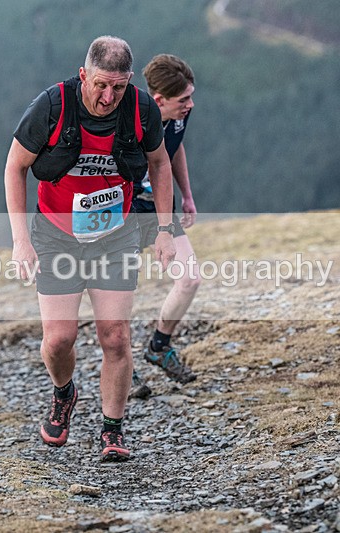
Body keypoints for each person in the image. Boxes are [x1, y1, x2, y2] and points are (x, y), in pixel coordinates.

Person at [4, 36, 176, 462]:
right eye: (100, 85)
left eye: (118, 87)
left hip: (114, 236)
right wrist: (21, 240)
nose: (108, 97)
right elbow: (14, 167)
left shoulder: (141, 109)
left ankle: (112, 431)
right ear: (83, 74)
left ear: (129, 81)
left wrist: (166, 229)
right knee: (58, 340)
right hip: (55, 235)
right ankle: (64, 393)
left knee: (115, 337)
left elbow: (160, 163)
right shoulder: (51, 106)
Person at [130, 54, 200, 398]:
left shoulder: (178, 116)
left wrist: (186, 195)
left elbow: (175, 148)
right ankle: (120, 367)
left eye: (190, 96)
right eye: (183, 99)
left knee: (189, 278)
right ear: (159, 101)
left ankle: (159, 346)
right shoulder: (130, 122)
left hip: (160, 209)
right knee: (117, 292)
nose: (190, 104)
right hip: (123, 211)